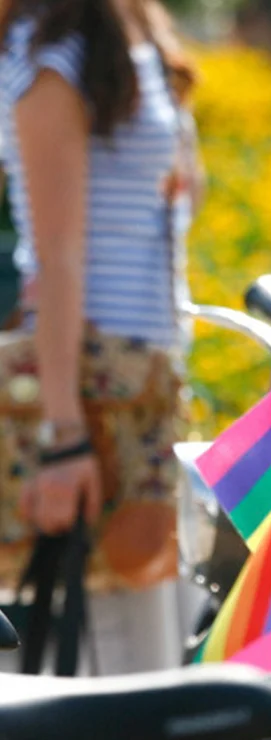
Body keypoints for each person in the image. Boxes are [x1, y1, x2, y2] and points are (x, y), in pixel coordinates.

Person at [0, 0, 204, 676]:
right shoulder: (50, 54)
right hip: (88, 383)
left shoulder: (129, 31)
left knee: (145, 636)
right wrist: (64, 436)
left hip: (142, 376)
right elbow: (58, 255)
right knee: (103, 655)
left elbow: (178, 195)